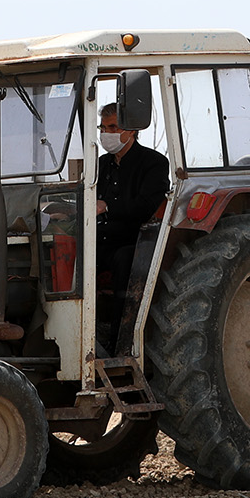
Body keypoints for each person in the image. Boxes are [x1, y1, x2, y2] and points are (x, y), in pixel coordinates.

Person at [96, 101, 169, 343]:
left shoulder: (154, 163)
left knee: (124, 260)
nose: (107, 134)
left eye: (113, 127)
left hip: (136, 241)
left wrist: (107, 206)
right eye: (103, 128)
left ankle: (121, 339)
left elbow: (145, 206)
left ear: (132, 130)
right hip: (101, 239)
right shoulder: (101, 165)